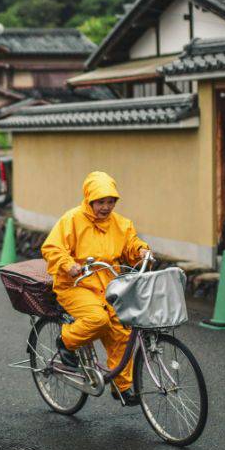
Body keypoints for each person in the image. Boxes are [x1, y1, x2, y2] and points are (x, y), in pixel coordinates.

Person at [41, 171, 149, 406]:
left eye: (111, 201)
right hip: (75, 285)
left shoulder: (121, 224)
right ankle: (66, 341)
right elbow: (52, 247)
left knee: (122, 330)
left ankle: (121, 387)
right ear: (89, 200)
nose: (106, 207)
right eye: (101, 202)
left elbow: (131, 245)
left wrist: (140, 250)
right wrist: (68, 265)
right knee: (97, 319)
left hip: (109, 285)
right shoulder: (72, 219)